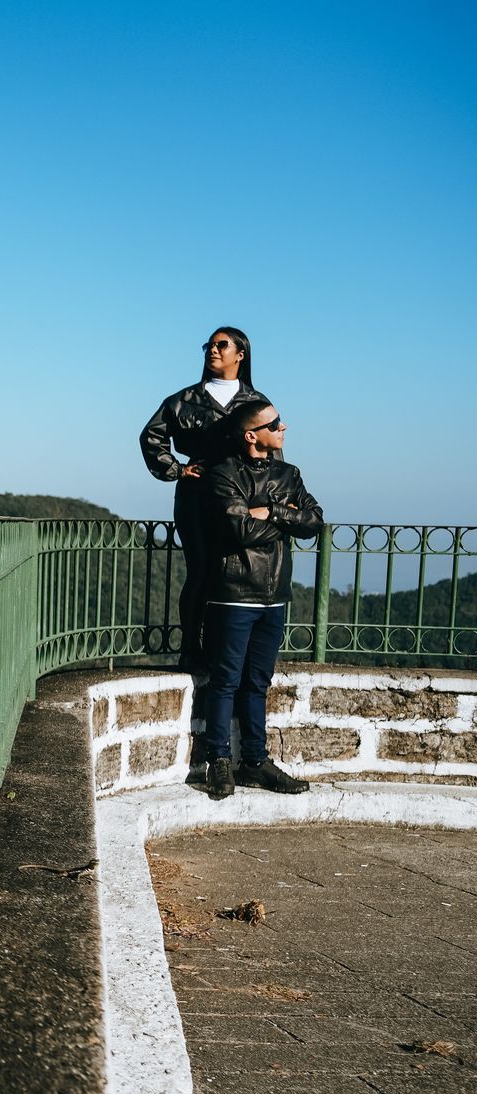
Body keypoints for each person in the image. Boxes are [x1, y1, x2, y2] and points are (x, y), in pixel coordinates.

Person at [198, 399, 323, 799]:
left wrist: (268, 511)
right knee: (225, 681)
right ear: (252, 435)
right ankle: (217, 761)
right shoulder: (222, 476)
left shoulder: (289, 473)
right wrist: (285, 518)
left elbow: (315, 521)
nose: (284, 427)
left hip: (275, 596)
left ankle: (255, 762)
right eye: (275, 423)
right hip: (234, 593)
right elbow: (239, 532)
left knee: (257, 683)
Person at [139, 327, 269, 670]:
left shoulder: (257, 404)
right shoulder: (183, 400)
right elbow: (151, 437)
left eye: (221, 345)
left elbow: (273, 450)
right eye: (209, 345)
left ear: (240, 354)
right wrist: (177, 470)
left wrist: (272, 501)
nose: (213, 350)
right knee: (199, 571)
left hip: (242, 501)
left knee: (234, 574)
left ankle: (226, 650)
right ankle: (191, 650)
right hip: (196, 498)